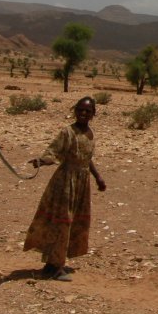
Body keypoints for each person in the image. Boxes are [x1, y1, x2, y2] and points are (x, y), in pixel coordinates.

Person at [22, 96, 106, 281]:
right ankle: (54, 265)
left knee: (73, 222)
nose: (83, 113)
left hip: (81, 184)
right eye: (80, 110)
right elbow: (54, 152)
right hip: (65, 183)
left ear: (93, 114)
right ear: (75, 111)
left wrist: (98, 177)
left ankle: (55, 263)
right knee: (62, 222)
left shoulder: (90, 133)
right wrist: (42, 161)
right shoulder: (67, 132)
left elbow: (86, 158)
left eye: (88, 111)